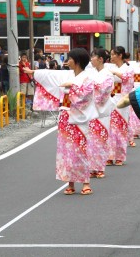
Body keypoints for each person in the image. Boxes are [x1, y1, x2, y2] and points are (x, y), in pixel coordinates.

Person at [24, 48, 98, 195]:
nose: (67, 61)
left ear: (77, 61)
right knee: (66, 151)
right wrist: (34, 72)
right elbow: (51, 75)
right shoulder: (68, 75)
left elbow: (85, 96)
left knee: (80, 150)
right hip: (65, 115)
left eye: (70, 59)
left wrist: (72, 87)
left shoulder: (87, 78)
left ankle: (85, 182)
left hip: (79, 118)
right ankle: (70, 182)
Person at [106, 46, 134, 166]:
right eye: (111, 55)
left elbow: (126, 78)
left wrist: (114, 72)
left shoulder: (128, 68)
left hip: (122, 99)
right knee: (110, 128)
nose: (111, 57)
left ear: (120, 55)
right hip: (111, 99)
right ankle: (110, 155)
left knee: (121, 127)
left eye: (113, 54)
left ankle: (120, 156)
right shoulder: (111, 67)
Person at [88, 49, 115, 178]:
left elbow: (105, 90)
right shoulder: (90, 73)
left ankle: (100, 167)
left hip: (102, 110)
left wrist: (93, 86)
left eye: (93, 57)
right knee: (90, 140)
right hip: (90, 109)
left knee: (101, 139)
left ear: (100, 59)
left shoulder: (108, 74)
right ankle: (92, 167)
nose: (91, 59)